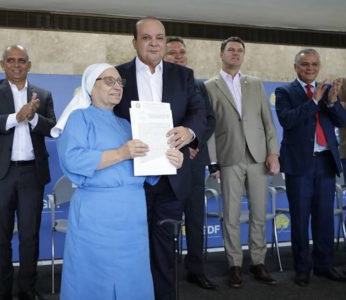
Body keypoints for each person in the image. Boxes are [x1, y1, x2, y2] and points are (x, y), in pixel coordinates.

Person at [54, 63, 184, 300]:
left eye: (119, 82)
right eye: (109, 81)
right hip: (97, 214)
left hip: (132, 214)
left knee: (132, 275)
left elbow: (146, 169)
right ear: (90, 87)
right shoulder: (79, 118)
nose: (117, 86)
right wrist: (121, 153)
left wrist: (170, 160)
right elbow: (72, 160)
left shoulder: (126, 124)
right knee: (95, 276)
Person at [114, 17, 207, 300]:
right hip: (132, 178)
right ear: (134, 42)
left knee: (165, 247)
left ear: (165, 42)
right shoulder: (118, 75)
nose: (154, 43)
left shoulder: (184, 76)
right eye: (146, 38)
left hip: (171, 177)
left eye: (159, 37)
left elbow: (198, 113)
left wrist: (188, 132)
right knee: (132, 247)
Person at [0, 44, 56, 300]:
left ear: (29, 64)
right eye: (11, 60)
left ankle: (27, 289)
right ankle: (1, 291)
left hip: (32, 173)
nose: (17, 65)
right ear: (3, 64)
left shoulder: (42, 93)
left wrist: (32, 118)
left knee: (30, 234)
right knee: (1, 235)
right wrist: (16, 117)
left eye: (22, 61)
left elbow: (52, 127)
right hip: (0, 174)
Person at [205, 36, 279, 288]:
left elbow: (268, 122)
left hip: (258, 157)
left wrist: (273, 153)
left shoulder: (256, 83)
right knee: (231, 215)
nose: (235, 54)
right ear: (221, 54)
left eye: (240, 50)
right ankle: (234, 265)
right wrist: (213, 162)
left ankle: (258, 262)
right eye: (231, 50)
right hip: (229, 157)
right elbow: (210, 129)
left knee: (259, 212)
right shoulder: (209, 86)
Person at [275, 49, 346, 286]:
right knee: (300, 218)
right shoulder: (284, 91)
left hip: (325, 162)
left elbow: (342, 121)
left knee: (324, 218)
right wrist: (315, 101)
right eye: (305, 64)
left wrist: (333, 102)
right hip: (299, 166)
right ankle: (302, 268)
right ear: (296, 67)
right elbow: (288, 120)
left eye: (314, 64)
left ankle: (324, 265)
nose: (310, 68)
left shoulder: (328, 91)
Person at [164, 36, 217, 290]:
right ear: (163, 56)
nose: (178, 56)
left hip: (195, 163)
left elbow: (209, 120)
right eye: (172, 52)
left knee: (195, 219)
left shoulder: (199, 85)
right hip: (166, 162)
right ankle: (166, 272)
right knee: (168, 220)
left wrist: (193, 144)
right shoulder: (156, 84)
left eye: (182, 52)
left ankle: (196, 270)